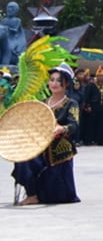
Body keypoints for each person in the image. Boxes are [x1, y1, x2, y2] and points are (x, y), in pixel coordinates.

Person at [13, 63, 80, 205]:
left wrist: (61, 129)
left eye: (58, 80)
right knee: (22, 161)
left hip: (59, 148)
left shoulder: (71, 104)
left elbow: (74, 125)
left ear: (66, 83)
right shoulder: (42, 103)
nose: (54, 83)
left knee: (55, 195)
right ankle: (32, 194)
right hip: (40, 145)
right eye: (52, 79)